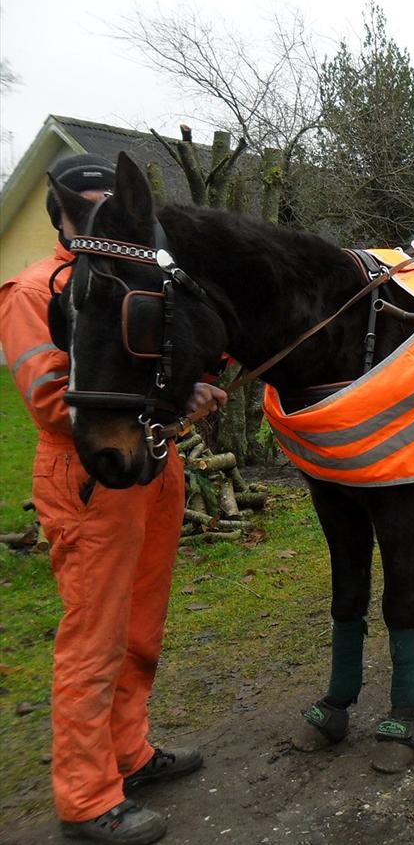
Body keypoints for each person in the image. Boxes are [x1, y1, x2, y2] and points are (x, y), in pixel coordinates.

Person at [0, 154, 226, 844]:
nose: (101, 213)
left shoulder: (129, 275)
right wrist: (170, 401)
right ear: (61, 214)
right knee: (93, 642)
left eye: (108, 201)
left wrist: (185, 394)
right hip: (88, 477)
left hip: (151, 468)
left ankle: (129, 752)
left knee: (139, 631)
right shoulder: (31, 290)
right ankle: (86, 796)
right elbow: (47, 405)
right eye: (87, 205)